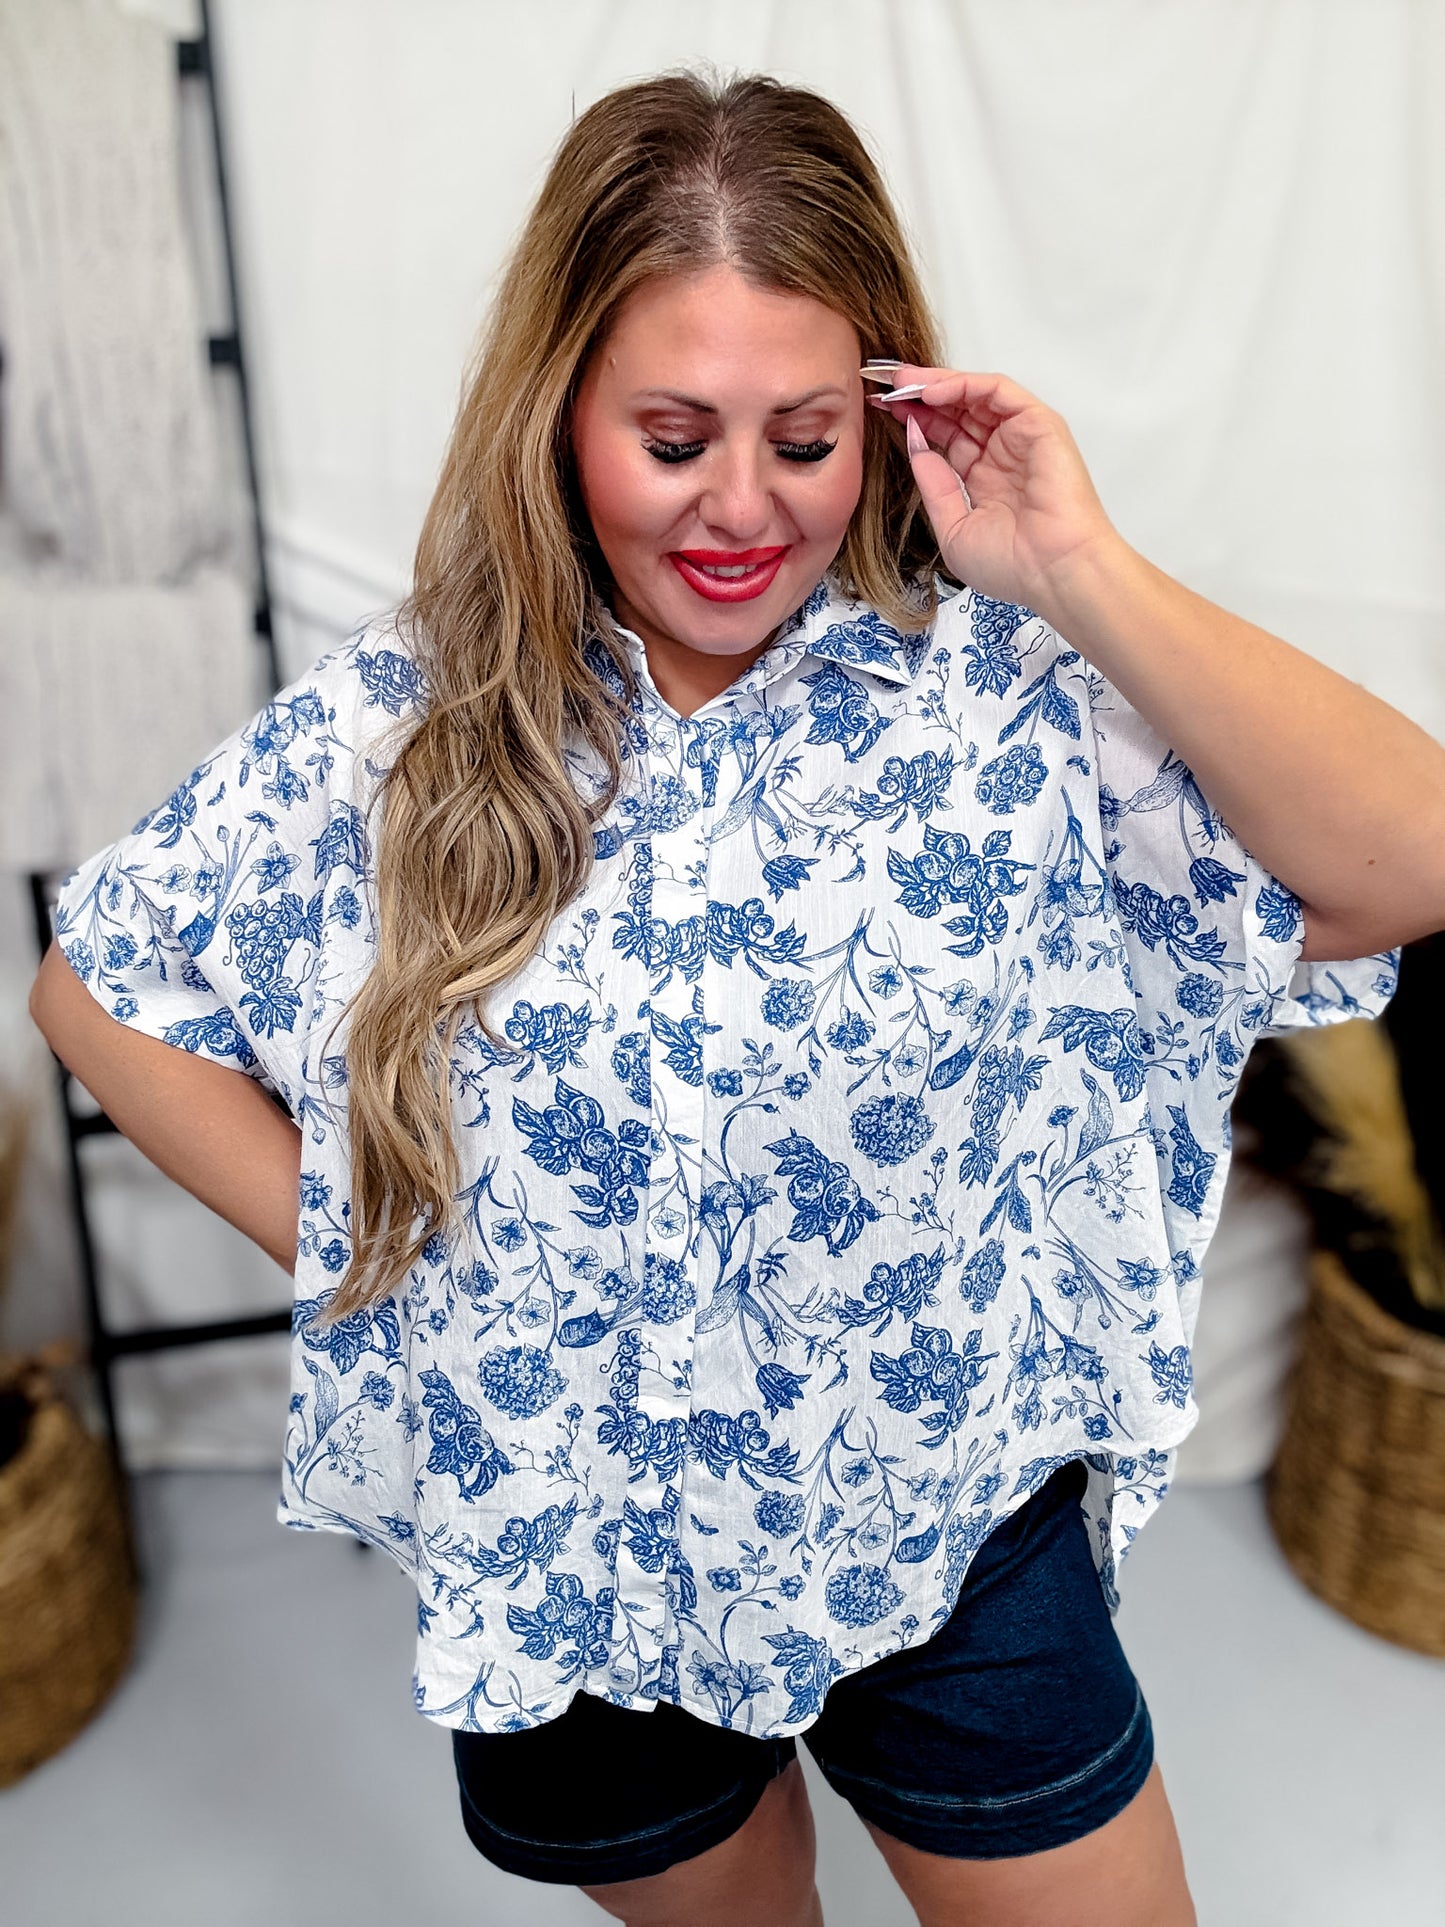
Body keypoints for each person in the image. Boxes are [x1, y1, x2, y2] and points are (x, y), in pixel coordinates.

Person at [27, 66, 1445, 1927]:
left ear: (881, 419)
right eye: (673, 433)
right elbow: (99, 983)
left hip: (950, 1530)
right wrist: (384, 1241)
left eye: (801, 436)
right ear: (563, 416)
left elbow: (1403, 862)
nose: (738, 508)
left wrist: (1073, 560)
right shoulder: (422, 714)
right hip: (582, 1558)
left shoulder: (1001, 697)